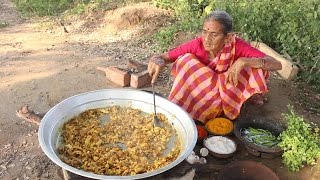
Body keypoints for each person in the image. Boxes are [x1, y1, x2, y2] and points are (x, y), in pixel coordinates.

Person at [147, 10, 282, 124]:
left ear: (227, 37)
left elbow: (277, 64)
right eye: (205, 32)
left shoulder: (237, 46)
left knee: (255, 66)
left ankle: (233, 104)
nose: (206, 39)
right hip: (204, 93)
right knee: (186, 61)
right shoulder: (197, 45)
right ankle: (198, 110)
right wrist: (156, 61)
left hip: (229, 90)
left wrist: (242, 61)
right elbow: (163, 57)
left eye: (214, 34)